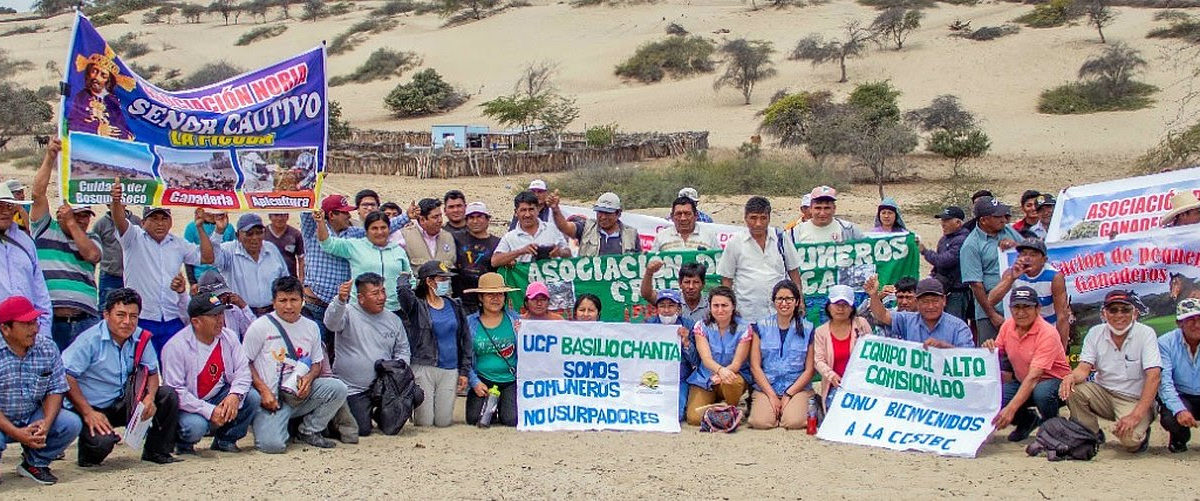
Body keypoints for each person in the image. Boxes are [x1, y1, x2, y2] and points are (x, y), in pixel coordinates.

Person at [62, 288, 181, 465]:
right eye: (120, 315)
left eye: (133, 316)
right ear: (106, 315)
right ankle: (88, 449)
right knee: (101, 446)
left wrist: (150, 397)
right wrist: (88, 412)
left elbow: (153, 373)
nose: (127, 322)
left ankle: (157, 452)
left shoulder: (141, 336)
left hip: (122, 400)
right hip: (91, 406)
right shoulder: (89, 340)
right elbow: (66, 376)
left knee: (167, 395)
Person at [243, 277, 348, 453]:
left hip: (300, 393)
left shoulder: (311, 327)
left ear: (302, 300)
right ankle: (266, 423)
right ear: (273, 302)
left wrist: (309, 378)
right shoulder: (259, 327)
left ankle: (309, 430)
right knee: (272, 446)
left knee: (337, 388)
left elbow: (317, 362)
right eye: (283, 300)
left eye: (294, 300)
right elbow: (244, 363)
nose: (289, 306)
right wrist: (263, 391)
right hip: (272, 398)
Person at [111, 181, 216, 354]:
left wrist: (200, 228)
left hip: (172, 318)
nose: (160, 223)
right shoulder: (133, 238)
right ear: (143, 221)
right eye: (154, 218)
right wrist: (116, 201)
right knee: (140, 373)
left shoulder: (178, 243)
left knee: (175, 373)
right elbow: (120, 221)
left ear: (171, 221)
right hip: (142, 319)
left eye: (164, 218)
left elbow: (207, 257)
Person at [1060, 290, 1162, 453]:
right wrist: (1070, 377)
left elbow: (1154, 376)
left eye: (1125, 310)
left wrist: (1136, 415)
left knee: (1130, 442)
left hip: (1134, 399)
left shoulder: (1146, 334)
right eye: (1113, 310)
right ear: (1104, 313)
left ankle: (1141, 432)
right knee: (1073, 389)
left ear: (1134, 312)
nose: (1119, 314)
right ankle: (1088, 434)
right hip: (1103, 394)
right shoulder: (1094, 333)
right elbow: (1083, 370)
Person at [162, 293, 260, 454]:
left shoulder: (229, 337)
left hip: (218, 395)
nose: (220, 319)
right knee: (195, 426)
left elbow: (243, 370)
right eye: (214, 316)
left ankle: (225, 440)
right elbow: (176, 392)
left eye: (221, 313)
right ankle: (183, 443)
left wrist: (234, 395)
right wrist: (209, 410)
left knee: (251, 397)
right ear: (196, 321)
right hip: (189, 405)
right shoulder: (175, 347)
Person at [0, 296, 81, 485]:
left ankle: (35, 463)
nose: (35, 328)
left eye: (35, 322)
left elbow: (56, 389)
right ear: (5, 328)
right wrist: (16, 432)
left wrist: (46, 423)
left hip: (31, 416)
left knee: (70, 423)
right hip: (2, 420)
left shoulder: (47, 347)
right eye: (27, 324)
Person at [29, 139, 102, 349]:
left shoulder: (92, 239)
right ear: (61, 213)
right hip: (50, 321)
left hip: (85, 320)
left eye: (85, 216)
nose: (82, 220)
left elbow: (92, 256)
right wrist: (50, 157)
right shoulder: (45, 229)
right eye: (76, 215)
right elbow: (37, 194)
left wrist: (71, 222)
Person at [325, 273, 410, 436]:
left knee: (415, 395)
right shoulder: (347, 312)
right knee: (362, 430)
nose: (381, 297)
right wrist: (340, 300)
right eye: (375, 293)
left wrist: (399, 372)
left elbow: (403, 350)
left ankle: (381, 414)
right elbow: (331, 323)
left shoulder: (394, 319)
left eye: (383, 291)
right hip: (353, 388)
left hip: (385, 386)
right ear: (361, 297)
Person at [982, 287, 1071, 442]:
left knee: (1041, 392)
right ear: (1010, 309)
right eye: (1017, 307)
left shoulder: (1047, 333)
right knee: (996, 397)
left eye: (1027, 307)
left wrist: (1010, 409)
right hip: (1023, 381)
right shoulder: (1007, 326)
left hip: (1054, 383)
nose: (1021, 312)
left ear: (1038, 308)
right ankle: (1027, 421)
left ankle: (1052, 426)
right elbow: (996, 353)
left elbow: (1035, 376)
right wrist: (988, 348)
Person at [396, 261, 471, 428]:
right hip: (424, 366)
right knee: (425, 422)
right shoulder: (417, 305)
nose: (446, 282)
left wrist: (464, 370)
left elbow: (465, 339)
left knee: (443, 421)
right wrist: (404, 276)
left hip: (450, 369)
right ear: (429, 281)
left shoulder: (455, 305)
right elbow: (403, 292)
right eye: (442, 279)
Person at [716, 196, 802, 323]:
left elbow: (794, 273)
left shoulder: (781, 239)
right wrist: (729, 308)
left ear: (769, 218)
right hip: (747, 315)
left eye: (763, 218)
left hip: (779, 313)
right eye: (753, 218)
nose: (758, 223)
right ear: (745, 218)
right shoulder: (735, 243)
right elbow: (726, 280)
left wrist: (800, 300)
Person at [747, 280, 816, 430]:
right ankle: (772, 409)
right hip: (767, 387)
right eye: (780, 299)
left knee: (793, 423)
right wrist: (772, 395)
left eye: (789, 299)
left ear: (797, 302)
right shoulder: (761, 326)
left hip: (796, 388)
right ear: (773, 302)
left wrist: (788, 395)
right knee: (760, 423)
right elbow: (755, 366)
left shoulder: (808, 328)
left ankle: (802, 406)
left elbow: (810, 370)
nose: (784, 303)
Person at [316, 209, 412, 314]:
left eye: (383, 228)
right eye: (374, 228)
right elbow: (327, 244)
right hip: (360, 311)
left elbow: (410, 278)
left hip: (394, 310)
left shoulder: (398, 250)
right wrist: (320, 222)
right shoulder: (354, 246)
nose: (379, 232)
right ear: (366, 231)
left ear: (389, 229)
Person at [986, 238, 1070, 347]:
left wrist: (1061, 350)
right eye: (1023, 254)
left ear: (1044, 260)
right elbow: (991, 300)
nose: (1027, 258)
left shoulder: (1054, 277)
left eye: (1033, 255)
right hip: (1021, 329)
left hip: (1047, 329)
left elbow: (1062, 316)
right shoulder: (1011, 272)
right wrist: (1011, 278)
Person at [684, 287, 750, 425]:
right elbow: (706, 358)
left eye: (724, 305)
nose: (720, 310)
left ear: (733, 306)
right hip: (706, 377)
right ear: (710, 307)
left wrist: (723, 374)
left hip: (731, 374)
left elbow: (737, 363)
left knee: (733, 381)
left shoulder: (744, 328)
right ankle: (722, 409)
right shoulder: (701, 326)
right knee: (694, 418)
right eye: (716, 305)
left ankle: (731, 406)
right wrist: (719, 370)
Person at [961, 196, 1021, 343]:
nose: (1003, 219)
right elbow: (976, 285)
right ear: (983, 220)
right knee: (993, 354)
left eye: (1003, 215)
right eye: (997, 216)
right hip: (990, 310)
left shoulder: (1008, 231)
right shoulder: (971, 245)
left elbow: (1031, 252)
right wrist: (992, 315)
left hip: (1017, 303)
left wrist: (1015, 246)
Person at [464, 273, 521, 426]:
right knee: (474, 419)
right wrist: (475, 382)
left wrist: (524, 332)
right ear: (481, 298)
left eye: (500, 294)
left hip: (510, 379)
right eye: (490, 294)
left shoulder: (516, 320)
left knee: (511, 420)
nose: (496, 298)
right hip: (483, 379)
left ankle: (502, 404)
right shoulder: (470, 323)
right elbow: (465, 357)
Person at [212, 213, 290, 316]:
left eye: (259, 233)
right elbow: (211, 257)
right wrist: (219, 231)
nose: (255, 238)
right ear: (238, 235)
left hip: (272, 313)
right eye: (249, 233)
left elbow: (285, 280)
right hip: (241, 314)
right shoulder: (229, 251)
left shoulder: (271, 249)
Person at [866, 276, 974, 348]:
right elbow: (882, 315)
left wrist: (945, 348)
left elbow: (968, 358)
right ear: (917, 302)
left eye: (935, 301)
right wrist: (874, 295)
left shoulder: (959, 327)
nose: (930, 306)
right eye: (925, 302)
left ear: (944, 301)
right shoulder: (906, 320)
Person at [0, 182, 51, 335]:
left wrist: (44, 333)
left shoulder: (25, 242)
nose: (5, 211)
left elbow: (40, 291)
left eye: (9, 206)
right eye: (0, 206)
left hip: (28, 333)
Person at [814, 285, 873, 410]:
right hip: (836, 387)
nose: (840, 308)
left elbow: (873, 352)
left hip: (862, 386)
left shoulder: (861, 324)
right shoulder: (820, 332)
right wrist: (831, 376)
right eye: (836, 304)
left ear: (851, 308)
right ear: (829, 306)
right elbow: (818, 360)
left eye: (845, 305)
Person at [645, 289, 699, 420]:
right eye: (662, 306)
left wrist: (686, 342)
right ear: (657, 309)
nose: (666, 310)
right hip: (653, 377)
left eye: (671, 306)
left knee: (675, 415)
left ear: (679, 308)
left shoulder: (689, 325)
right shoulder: (648, 325)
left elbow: (696, 361)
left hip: (679, 379)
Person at [1156, 298, 1200, 452]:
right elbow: (1165, 383)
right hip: (1181, 394)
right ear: (1179, 323)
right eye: (1190, 320)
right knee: (1171, 417)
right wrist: (1180, 409)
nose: (1197, 325)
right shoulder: (1165, 343)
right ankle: (1179, 438)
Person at [66, 47, 135, 139]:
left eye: (103, 75)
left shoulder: (113, 101)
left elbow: (124, 128)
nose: (96, 77)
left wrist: (121, 134)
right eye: (94, 71)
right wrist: (96, 129)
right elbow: (70, 123)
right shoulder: (80, 97)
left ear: (109, 81)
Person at [550, 191, 641, 256]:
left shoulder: (631, 234)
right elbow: (565, 227)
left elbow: (638, 262)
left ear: (618, 213)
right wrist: (555, 209)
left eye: (608, 213)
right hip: (590, 282)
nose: (603, 217)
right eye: (600, 212)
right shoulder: (586, 227)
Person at [493, 191, 570, 267]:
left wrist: (559, 252)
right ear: (516, 213)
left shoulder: (553, 229)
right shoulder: (509, 237)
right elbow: (494, 261)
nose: (527, 215)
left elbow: (569, 253)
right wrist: (520, 252)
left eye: (531, 209)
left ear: (538, 210)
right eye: (523, 210)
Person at [922, 206, 972, 322]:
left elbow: (944, 261)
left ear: (958, 222)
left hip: (957, 292)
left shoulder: (962, 240)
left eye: (946, 220)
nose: (943, 224)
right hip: (944, 290)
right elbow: (938, 266)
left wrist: (925, 251)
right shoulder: (944, 239)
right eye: (942, 220)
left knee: (954, 324)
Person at [452, 202, 500, 314]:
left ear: (487, 219)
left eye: (479, 217)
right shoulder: (456, 238)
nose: (475, 221)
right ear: (466, 221)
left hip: (487, 302)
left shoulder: (498, 243)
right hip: (461, 302)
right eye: (471, 218)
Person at [181, 270, 257, 340]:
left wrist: (244, 307)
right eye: (218, 296)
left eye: (224, 294)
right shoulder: (198, 315)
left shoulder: (233, 310)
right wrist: (182, 293)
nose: (223, 298)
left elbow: (255, 334)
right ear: (204, 296)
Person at [92, 205, 141, 304]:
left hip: (133, 276)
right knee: (106, 307)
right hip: (109, 275)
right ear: (107, 205)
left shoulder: (136, 221)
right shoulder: (101, 224)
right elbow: (94, 248)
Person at [789, 186, 864, 244]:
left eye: (827, 208)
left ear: (834, 209)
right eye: (818, 208)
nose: (822, 213)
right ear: (811, 209)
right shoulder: (796, 232)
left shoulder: (849, 230)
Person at [642, 262, 710, 324]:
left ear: (703, 284)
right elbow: (647, 295)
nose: (691, 286)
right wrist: (649, 273)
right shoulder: (672, 298)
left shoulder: (711, 304)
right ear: (680, 283)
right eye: (687, 282)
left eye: (696, 282)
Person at [399, 198, 456, 267]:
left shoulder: (449, 237)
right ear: (422, 219)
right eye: (435, 217)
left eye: (440, 215)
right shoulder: (404, 237)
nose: (440, 220)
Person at [182, 209, 235, 282]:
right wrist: (192, 282)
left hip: (224, 277)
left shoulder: (228, 227)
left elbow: (233, 255)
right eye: (207, 210)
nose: (210, 212)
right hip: (200, 277)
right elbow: (188, 257)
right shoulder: (192, 227)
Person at [652, 196, 719, 252]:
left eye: (687, 214)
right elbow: (652, 262)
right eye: (678, 214)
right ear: (672, 217)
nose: (683, 218)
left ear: (696, 216)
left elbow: (719, 262)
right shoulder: (661, 237)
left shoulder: (710, 236)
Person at [263, 213, 305, 280]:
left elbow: (301, 259)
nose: (279, 219)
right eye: (276, 215)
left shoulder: (295, 234)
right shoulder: (262, 234)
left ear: (287, 216)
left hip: (290, 280)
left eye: (283, 215)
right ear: (270, 217)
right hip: (268, 278)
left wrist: (301, 280)